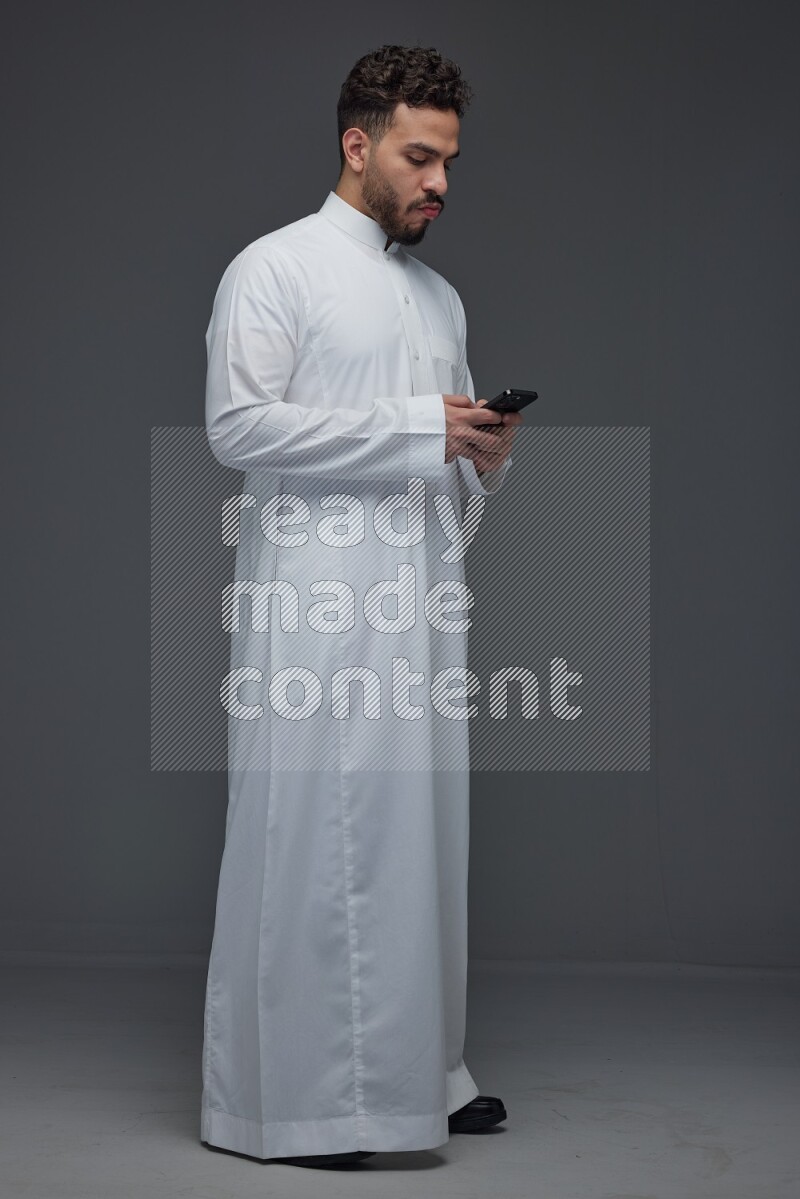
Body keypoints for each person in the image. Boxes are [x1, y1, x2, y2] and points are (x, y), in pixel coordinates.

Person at [200, 43, 522, 1170]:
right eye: (419, 157)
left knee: (421, 835)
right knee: (321, 836)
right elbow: (236, 426)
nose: (439, 182)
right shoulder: (273, 269)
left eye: (448, 161)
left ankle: (421, 1073)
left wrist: (478, 454)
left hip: (422, 601)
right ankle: (303, 1103)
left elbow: (441, 463)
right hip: (318, 605)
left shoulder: (438, 294)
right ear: (357, 144)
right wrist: (417, 427)